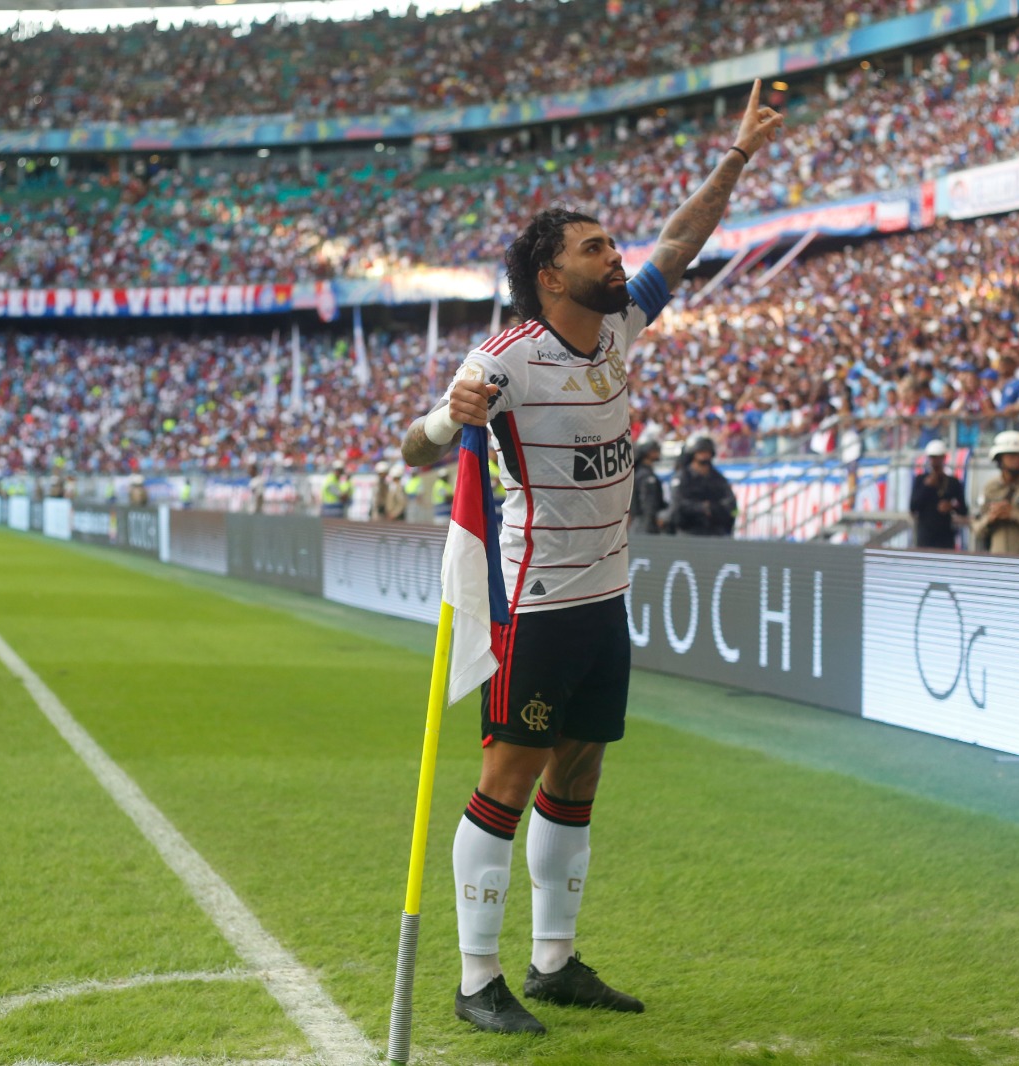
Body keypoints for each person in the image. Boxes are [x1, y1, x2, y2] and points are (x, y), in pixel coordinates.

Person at [398, 79, 783, 1036]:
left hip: (606, 597)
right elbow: (412, 447)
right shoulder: (505, 358)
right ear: (550, 277)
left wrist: (736, 156)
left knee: (579, 779)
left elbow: (681, 246)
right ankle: (477, 977)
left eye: (613, 244)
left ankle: (554, 963)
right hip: (535, 606)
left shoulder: (619, 324)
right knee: (510, 779)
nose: (617, 257)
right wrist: (452, 416)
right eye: (594, 248)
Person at [969, 431, 1019, 555]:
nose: (1017, 460)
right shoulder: (990, 488)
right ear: (999, 458)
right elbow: (977, 529)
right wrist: (991, 518)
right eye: (1011, 455)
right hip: (997, 561)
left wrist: (1014, 514)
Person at [668, 437, 737, 536]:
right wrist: (701, 508)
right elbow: (677, 504)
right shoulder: (683, 477)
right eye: (700, 451)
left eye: (707, 451)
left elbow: (731, 504)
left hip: (714, 531)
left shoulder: (718, 478)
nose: (704, 455)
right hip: (689, 530)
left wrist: (713, 509)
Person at [908, 440, 967, 550]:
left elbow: (964, 509)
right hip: (925, 536)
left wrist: (951, 507)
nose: (935, 461)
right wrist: (926, 486)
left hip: (945, 537)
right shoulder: (921, 480)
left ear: (944, 458)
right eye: (932, 458)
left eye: (938, 457)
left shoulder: (953, 482)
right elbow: (913, 507)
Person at [629, 438, 666, 535]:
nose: (657, 453)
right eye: (654, 450)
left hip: (640, 522)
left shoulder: (641, 472)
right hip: (644, 523)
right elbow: (647, 504)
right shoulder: (645, 475)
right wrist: (649, 526)